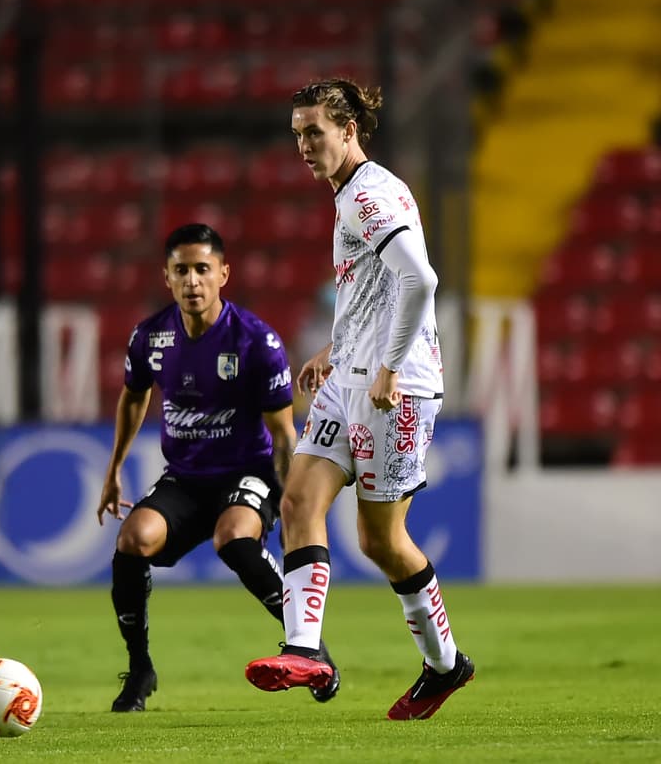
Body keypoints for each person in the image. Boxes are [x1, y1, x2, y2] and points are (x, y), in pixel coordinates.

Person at [243, 79, 474, 720]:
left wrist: (388, 367)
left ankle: (446, 664)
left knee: (381, 541)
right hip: (352, 377)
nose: (304, 145)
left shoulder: (369, 193)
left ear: (349, 131)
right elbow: (372, 288)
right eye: (297, 134)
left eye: (314, 132)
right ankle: (305, 649)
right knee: (297, 499)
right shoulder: (351, 194)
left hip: (393, 391)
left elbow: (419, 279)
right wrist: (338, 350)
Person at [96, 223, 339, 712]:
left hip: (246, 473)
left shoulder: (256, 342)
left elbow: (283, 431)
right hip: (185, 479)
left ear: (223, 274)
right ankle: (140, 668)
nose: (192, 281)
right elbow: (133, 397)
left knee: (233, 537)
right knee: (133, 540)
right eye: (181, 270)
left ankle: (308, 644)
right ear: (166, 276)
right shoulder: (151, 336)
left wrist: (291, 498)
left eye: (202, 269)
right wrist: (114, 467)